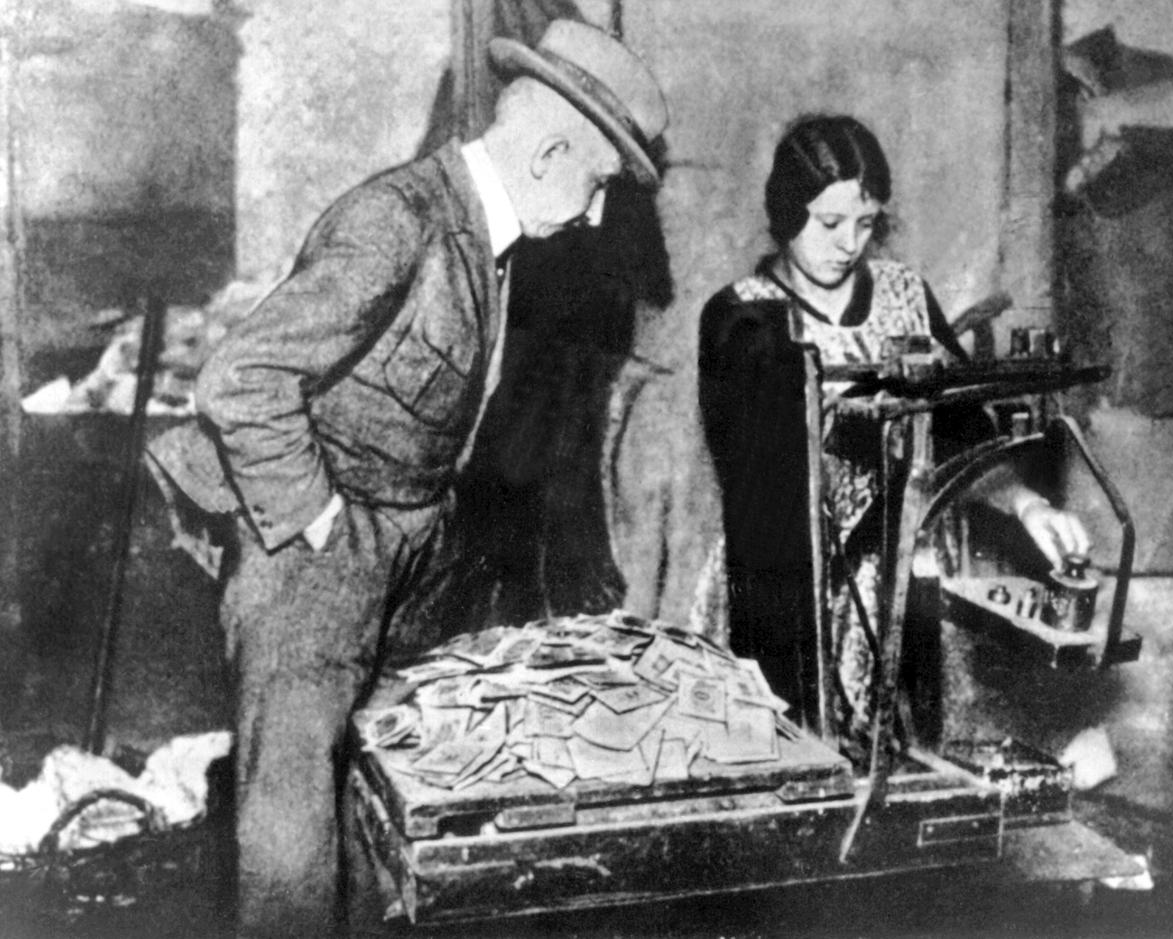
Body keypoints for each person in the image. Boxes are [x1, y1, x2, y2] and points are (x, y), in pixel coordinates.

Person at [146, 20, 668, 938]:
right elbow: (241, 378)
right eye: (594, 185)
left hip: (399, 549)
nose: (593, 214)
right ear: (549, 153)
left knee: (376, 802)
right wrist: (315, 519)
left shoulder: (483, 237)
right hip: (312, 561)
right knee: (291, 830)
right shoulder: (399, 220)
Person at [698, 114, 1088, 747]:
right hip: (785, 588)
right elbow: (761, 476)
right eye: (829, 223)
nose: (849, 244)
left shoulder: (904, 293)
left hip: (901, 578)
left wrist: (1026, 504)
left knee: (914, 755)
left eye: (866, 223)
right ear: (788, 210)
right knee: (797, 753)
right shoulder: (740, 316)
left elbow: (962, 431)